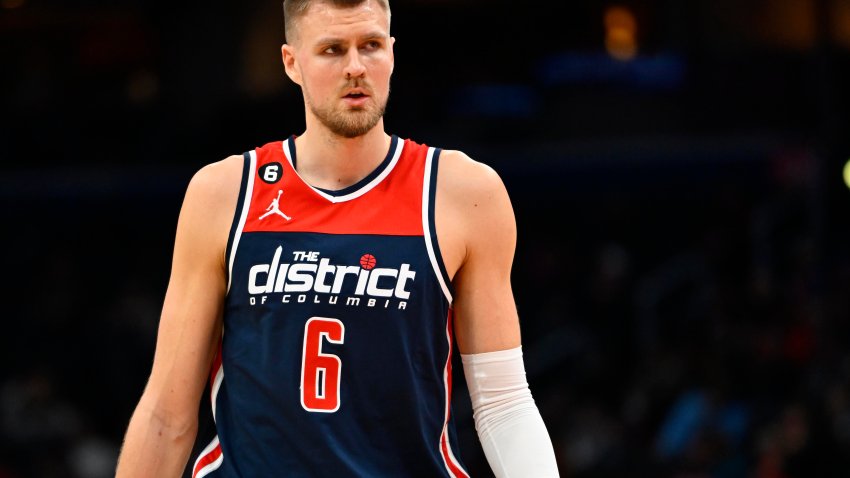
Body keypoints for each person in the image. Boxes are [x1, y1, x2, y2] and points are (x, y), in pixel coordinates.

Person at [115, 0, 560, 476]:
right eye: (332, 49)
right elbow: (166, 414)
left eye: (370, 46)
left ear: (392, 53)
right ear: (292, 63)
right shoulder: (224, 193)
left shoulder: (463, 192)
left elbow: (503, 403)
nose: (355, 67)